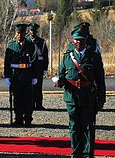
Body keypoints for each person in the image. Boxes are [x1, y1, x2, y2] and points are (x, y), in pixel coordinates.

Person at [53, 26, 106, 157]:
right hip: (71, 97)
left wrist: (102, 99)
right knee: (74, 126)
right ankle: (76, 153)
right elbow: (61, 74)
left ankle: (88, 154)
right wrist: (59, 81)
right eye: (76, 40)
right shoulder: (67, 57)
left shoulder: (93, 57)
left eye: (81, 40)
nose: (79, 43)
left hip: (88, 96)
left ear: (86, 40)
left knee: (88, 127)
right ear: (72, 41)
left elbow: (100, 80)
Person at [4, 23, 39, 127]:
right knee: (17, 98)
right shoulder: (10, 45)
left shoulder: (31, 45)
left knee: (28, 98)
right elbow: (6, 63)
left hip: (27, 74)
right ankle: (18, 118)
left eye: (22, 33)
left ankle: (28, 119)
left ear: (25, 33)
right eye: (18, 33)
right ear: (15, 33)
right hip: (15, 75)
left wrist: (35, 76)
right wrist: (6, 76)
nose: (20, 35)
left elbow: (35, 62)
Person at [26, 22, 48, 110]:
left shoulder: (41, 42)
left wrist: (45, 68)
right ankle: (29, 104)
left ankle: (39, 104)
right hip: (28, 66)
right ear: (29, 31)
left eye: (34, 30)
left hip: (39, 66)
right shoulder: (26, 40)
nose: (33, 32)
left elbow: (45, 56)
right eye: (31, 30)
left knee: (38, 87)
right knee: (29, 87)